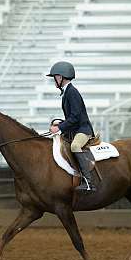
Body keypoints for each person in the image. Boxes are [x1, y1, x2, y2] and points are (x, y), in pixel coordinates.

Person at [47, 61, 96, 192]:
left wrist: (59, 127)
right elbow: (72, 117)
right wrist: (61, 124)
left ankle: (88, 182)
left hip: (83, 130)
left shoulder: (72, 92)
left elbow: (76, 117)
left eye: (55, 77)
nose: (54, 80)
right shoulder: (67, 92)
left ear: (61, 77)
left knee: (75, 146)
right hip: (75, 128)